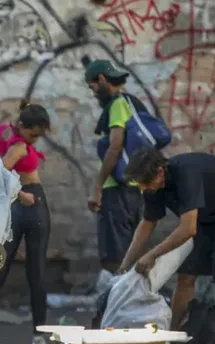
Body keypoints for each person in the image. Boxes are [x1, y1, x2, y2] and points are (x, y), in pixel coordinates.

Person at [118, 148, 215, 344]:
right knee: (186, 276)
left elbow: (188, 229)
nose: (142, 189)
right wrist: (125, 265)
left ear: (160, 172)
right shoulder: (152, 187)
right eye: (138, 184)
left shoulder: (186, 174)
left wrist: (152, 255)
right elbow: (148, 223)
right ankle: (172, 336)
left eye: (144, 183)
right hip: (205, 217)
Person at [0, 102, 52, 344]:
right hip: (28, 202)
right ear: (23, 127)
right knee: (34, 273)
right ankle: (38, 337)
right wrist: (21, 195)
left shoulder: (5, 131)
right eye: (33, 135)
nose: (35, 140)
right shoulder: (18, 145)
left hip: (14, 205)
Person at [84, 60, 145, 273]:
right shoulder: (133, 103)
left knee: (116, 258)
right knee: (129, 252)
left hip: (117, 190)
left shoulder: (118, 104)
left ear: (102, 79)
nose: (93, 93)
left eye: (92, 88)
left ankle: (120, 304)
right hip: (134, 188)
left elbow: (115, 145)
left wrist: (98, 186)